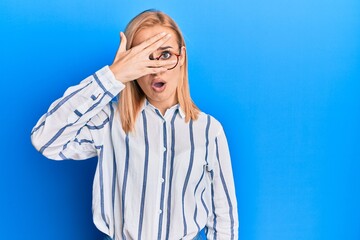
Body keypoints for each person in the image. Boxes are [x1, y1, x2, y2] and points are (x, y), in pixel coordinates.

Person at [31, 9, 238, 240]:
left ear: (182, 58)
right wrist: (114, 75)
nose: (157, 68)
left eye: (166, 54)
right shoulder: (109, 121)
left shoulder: (209, 130)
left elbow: (224, 218)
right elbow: (44, 139)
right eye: (144, 57)